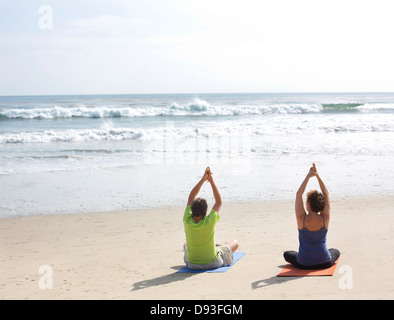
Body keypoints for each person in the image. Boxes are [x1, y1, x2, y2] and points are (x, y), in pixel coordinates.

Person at [284, 163, 340, 269]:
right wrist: (317, 176)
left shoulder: (302, 219)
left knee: (287, 254)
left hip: (304, 263)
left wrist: (309, 176)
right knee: (335, 251)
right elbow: (326, 193)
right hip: (325, 262)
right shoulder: (325, 218)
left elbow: (298, 194)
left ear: (308, 204)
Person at [183, 167, 239, 270]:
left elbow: (191, 197)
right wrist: (211, 180)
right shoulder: (209, 220)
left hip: (192, 264)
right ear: (205, 212)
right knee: (234, 243)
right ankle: (217, 249)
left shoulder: (187, 220)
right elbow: (218, 202)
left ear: (191, 210)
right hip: (213, 262)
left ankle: (213, 248)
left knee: (185, 244)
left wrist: (203, 179)